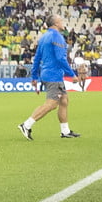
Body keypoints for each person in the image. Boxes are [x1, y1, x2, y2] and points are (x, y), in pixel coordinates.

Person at [18, 12, 80, 140]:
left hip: (47, 73)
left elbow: (37, 58)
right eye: (61, 20)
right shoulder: (57, 37)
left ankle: (65, 131)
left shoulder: (44, 37)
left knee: (64, 100)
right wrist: (72, 74)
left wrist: (34, 76)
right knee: (51, 104)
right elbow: (60, 58)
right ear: (56, 23)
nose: (62, 23)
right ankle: (26, 125)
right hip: (54, 75)